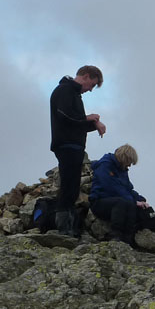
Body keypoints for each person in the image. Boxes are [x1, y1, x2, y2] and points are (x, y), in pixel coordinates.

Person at [49, 65, 106, 235]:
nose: (90, 90)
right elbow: (64, 115)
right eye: (92, 85)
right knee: (68, 185)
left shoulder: (73, 94)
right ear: (86, 76)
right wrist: (88, 118)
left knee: (73, 186)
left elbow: (76, 123)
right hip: (66, 145)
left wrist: (94, 124)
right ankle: (63, 227)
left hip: (74, 146)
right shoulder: (64, 90)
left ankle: (70, 227)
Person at [89, 144, 149, 245]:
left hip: (114, 201)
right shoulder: (105, 165)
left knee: (130, 204)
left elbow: (127, 188)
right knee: (122, 203)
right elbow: (111, 187)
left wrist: (140, 199)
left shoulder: (122, 170)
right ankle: (116, 235)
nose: (129, 165)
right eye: (129, 162)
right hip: (99, 202)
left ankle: (128, 238)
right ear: (124, 158)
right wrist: (134, 201)